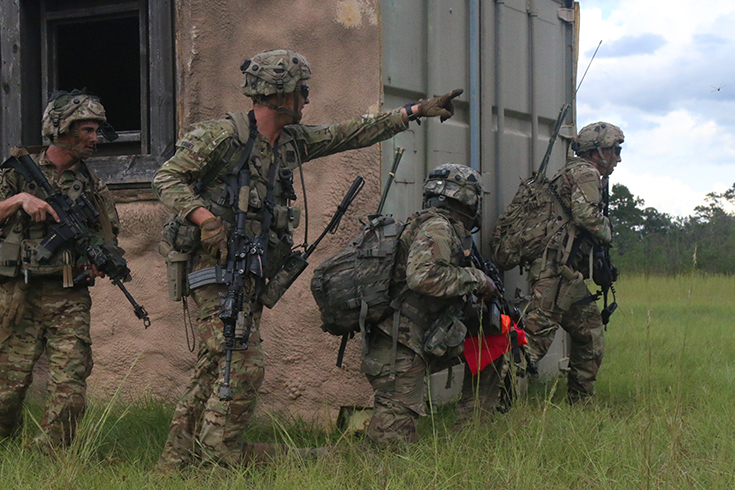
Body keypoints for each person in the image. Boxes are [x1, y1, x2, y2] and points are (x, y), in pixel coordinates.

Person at [152, 48, 463, 470]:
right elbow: (165, 177)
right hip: (215, 270)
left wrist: (413, 111)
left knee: (215, 363)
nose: (307, 99)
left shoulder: (292, 143)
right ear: (279, 94)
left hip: (252, 273)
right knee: (242, 363)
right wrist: (205, 218)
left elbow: (349, 133)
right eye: (302, 90)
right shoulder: (222, 137)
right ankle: (216, 459)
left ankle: (175, 461)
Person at [0, 90, 120, 447]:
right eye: (87, 129)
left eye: (97, 130)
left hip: (68, 294)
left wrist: (101, 260)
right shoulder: (18, 172)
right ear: (61, 129)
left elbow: (108, 236)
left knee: (70, 383)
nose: (95, 138)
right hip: (17, 293)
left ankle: (54, 453)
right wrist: (19, 200)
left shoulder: (94, 186)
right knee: (8, 385)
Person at [360, 163, 499, 445]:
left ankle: (471, 434)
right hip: (399, 349)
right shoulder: (437, 226)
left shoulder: (440, 226)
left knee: (493, 342)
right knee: (388, 453)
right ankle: (298, 460)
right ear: (466, 199)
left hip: (417, 342)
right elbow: (422, 277)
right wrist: (477, 279)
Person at [523, 121, 624, 403]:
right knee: (533, 342)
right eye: (615, 150)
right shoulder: (585, 172)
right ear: (598, 152)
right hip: (554, 274)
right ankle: (487, 404)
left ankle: (581, 403)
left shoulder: (576, 172)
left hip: (565, 275)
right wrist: (608, 231)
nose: (618, 158)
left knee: (590, 334)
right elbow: (586, 216)